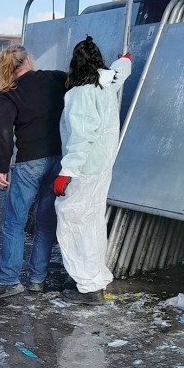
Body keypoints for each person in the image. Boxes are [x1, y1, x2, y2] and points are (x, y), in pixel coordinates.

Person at [0, 44, 67, 300]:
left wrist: (1, 169)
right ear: (28, 60)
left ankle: (8, 280)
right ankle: (37, 280)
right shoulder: (54, 77)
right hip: (57, 159)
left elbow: (5, 133)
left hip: (29, 162)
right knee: (45, 221)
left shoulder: (8, 94)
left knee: (15, 222)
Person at [54, 36, 131, 303]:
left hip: (84, 169)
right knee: (93, 222)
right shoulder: (106, 82)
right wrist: (125, 61)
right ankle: (94, 277)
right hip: (102, 166)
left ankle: (87, 287)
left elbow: (81, 137)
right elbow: (120, 73)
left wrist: (66, 172)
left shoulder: (81, 94)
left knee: (73, 222)